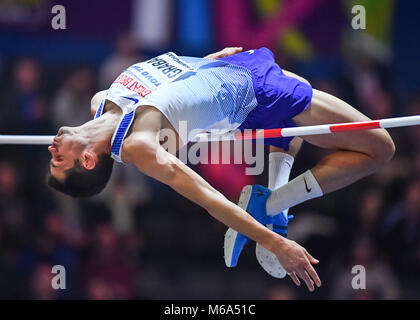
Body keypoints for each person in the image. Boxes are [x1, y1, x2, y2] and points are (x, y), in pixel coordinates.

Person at [46, 47, 395, 292]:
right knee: (381, 148)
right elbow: (210, 199)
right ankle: (272, 207)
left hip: (233, 69)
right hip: (258, 91)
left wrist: (207, 61)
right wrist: (274, 242)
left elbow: (173, 83)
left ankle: (271, 202)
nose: (51, 149)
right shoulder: (140, 145)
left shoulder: (100, 99)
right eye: (58, 160)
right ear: (89, 159)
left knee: (290, 132)